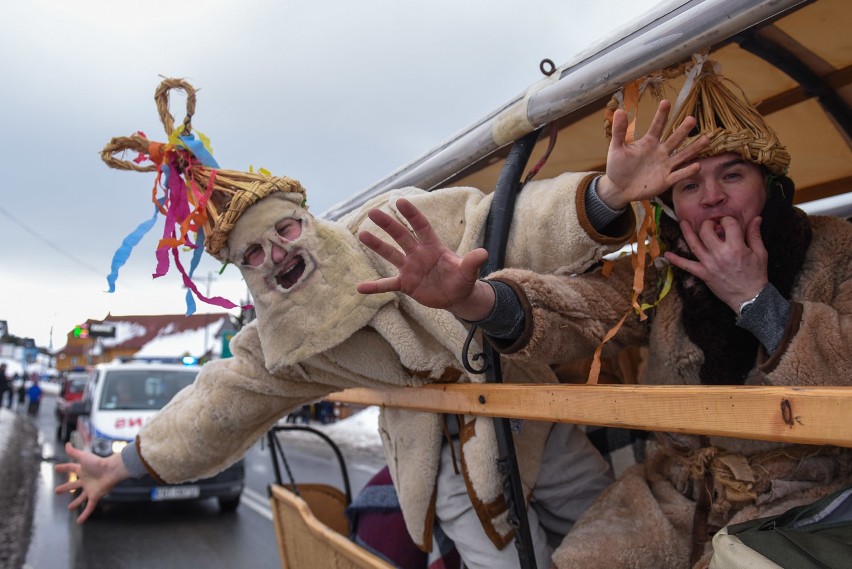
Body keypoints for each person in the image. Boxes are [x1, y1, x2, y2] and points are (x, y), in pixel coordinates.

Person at [54, 77, 705, 569]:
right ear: (247, 275)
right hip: (442, 460)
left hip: (527, 408)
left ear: (307, 222)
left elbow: (505, 226)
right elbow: (214, 408)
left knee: (618, 528)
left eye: (282, 230)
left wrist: (605, 195)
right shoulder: (283, 348)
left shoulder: (389, 223)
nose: (276, 254)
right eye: (253, 254)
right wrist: (126, 462)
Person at [356, 56, 852, 568]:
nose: (712, 198)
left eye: (733, 174)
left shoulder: (837, 251)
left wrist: (754, 299)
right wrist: (473, 300)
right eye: (688, 185)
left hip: (807, 497)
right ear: (671, 207)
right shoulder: (666, 273)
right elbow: (584, 311)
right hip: (677, 493)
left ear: (768, 184)